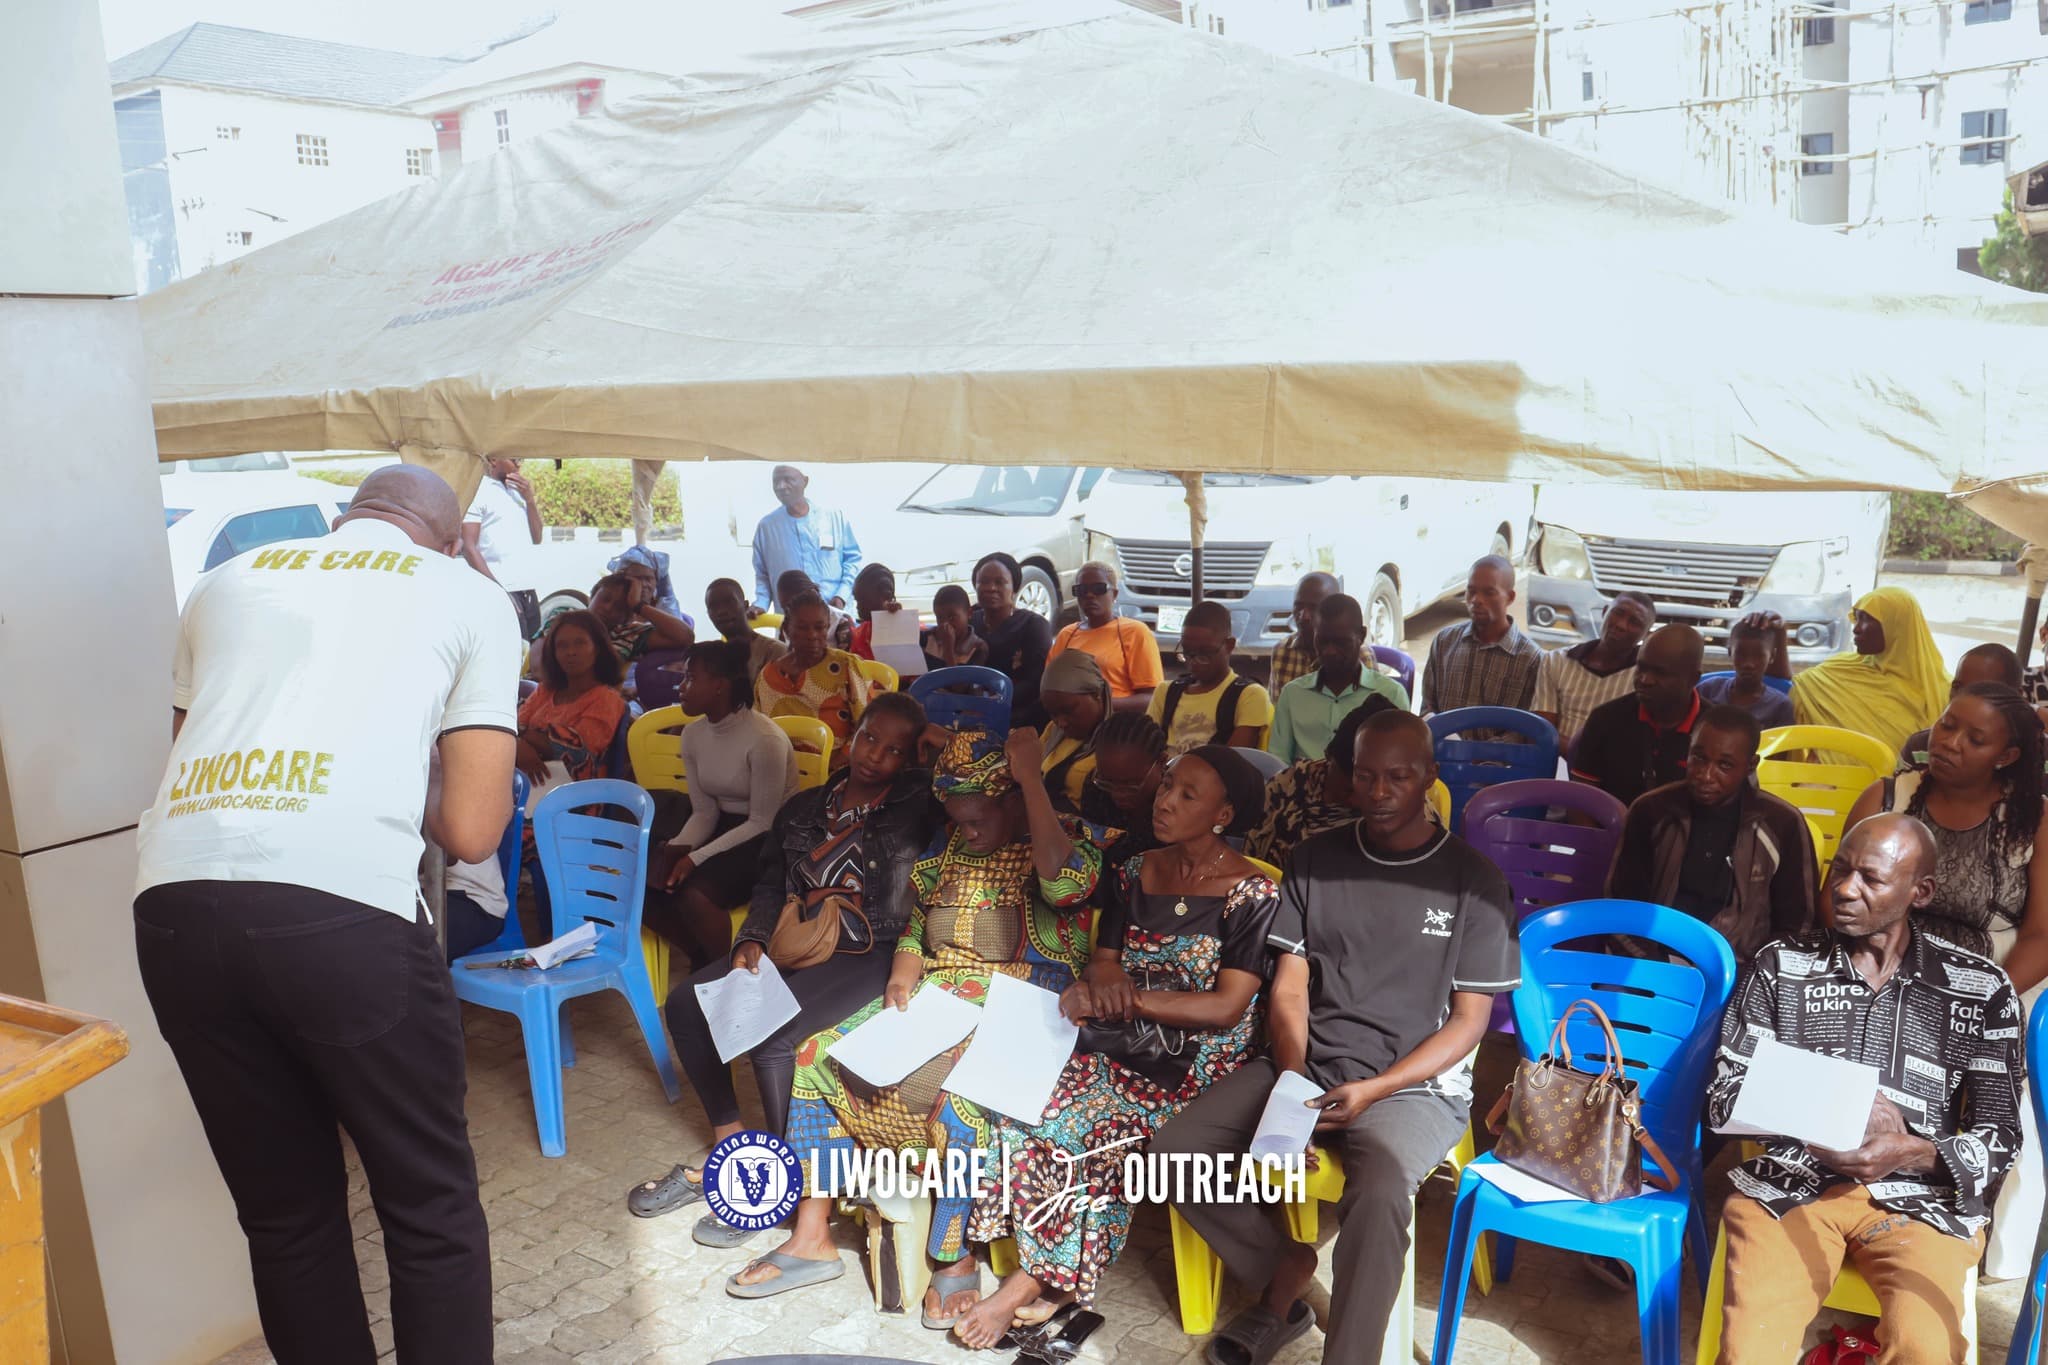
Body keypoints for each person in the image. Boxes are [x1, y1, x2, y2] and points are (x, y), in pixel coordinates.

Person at [133, 465, 518, 1363]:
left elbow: (194, 749)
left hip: (176, 906)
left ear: (347, 517)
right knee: (429, 1207)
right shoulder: (466, 595)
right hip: (343, 916)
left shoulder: (226, 580)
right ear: (450, 536)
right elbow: (470, 827)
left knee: (285, 1216)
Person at [1152, 711, 1517, 1365]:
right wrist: (1293, 1083)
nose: (1380, 791)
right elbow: (1289, 987)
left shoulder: (1473, 881)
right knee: (1174, 1151)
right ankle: (1282, 1264)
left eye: (1399, 777)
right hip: (1308, 1063)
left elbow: (1469, 1022)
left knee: (1377, 1195)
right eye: (1367, 776)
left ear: (1429, 777)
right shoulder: (1317, 859)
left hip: (1411, 1085)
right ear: (1349, 779)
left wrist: (1375, 1087)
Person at [740, 729, 1103, 1316]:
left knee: (951, 1098)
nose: (969, 830)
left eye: (979, 817)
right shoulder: (950, 849)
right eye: (958, 817)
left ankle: (953, 1256)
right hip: (940, 1001)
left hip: (1022, 1005)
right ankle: (813, 1237)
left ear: (1014, 800)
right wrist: (902, 973)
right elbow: (915, 929)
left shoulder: (1065, 840)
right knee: (815, 1061)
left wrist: (1032, 778)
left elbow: (1063, 886)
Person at [955, 748, 1280, 1344]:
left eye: (1188, 795)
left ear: (1222, 813)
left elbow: (1225, 1006)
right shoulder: (1134, 868)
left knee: (1097, 1129)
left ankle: (1031, 1283)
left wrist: (1122, 998)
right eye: (1168, 786)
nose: (1165, 801)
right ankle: (1043, 1273)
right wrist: (1096, 985)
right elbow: (1106, 958)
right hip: (1122, 1040)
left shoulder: (1251, 894)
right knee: (1024, 1104)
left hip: (1196, 1062)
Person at [1704, 813, 2024, 1365]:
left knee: (1925, 1349)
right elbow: (1722, 1098)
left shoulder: (1978, 988)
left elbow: (2001, 1139)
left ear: (1920, 891)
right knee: (1752, 1348)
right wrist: (1824, 1103)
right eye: (1840, 872)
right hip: (1791, 1186)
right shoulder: (1782, 966)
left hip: (1923, 1206)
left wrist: (1915, 1151)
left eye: (1871, 879)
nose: (1846, 890)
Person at [627, 694, 941, 1240]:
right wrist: (751, 937)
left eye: (894, 750)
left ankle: (786, 1185)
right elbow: (771, 883)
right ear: (853, 735)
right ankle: (735, 1149)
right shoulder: (803, 809)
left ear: (909, 758)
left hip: (874, 951)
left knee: (776, 1037)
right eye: (869, 738)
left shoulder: (918, 806)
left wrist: (944, 749)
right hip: (799, 940)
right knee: (687, 1003)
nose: (875, 756)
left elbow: (977, 787)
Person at [1846, 681, 2048, 1278]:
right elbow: (1839, 904)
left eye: (1974, 738)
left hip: (1997, 977)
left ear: (2006, 756)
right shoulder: (1888, 797)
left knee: (2011, 1076)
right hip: (1883, 967)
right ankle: (1856, 1197)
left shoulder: (2031, 821)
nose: (1950, 742)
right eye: (1947, 724)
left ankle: (1986, 1239)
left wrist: (1984, 1003)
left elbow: (2042, 935)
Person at [1605, 704, 1815, 962]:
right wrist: (1652, 966)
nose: (1705, 775)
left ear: (1750, 766)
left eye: (1724, 765)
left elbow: (1798, 925)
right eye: (1699, 758)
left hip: (1742, 967)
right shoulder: (1652, 811)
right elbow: (1621, 906)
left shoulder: (1783, 823)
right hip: (1656, 959)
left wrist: (1757, 977)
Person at [646, 640, 799, 968]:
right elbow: (705, 810)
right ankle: (702, 957)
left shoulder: (764, 739)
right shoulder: (693, 735)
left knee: (695, 893)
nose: (681, 686)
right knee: (647, 886)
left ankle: (726, 975)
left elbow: (762, 821)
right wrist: (675, 850)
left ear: (719, 685)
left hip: (768, 838)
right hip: (724, 826)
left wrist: (695, 858)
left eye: (690, 678)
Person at [1750, 587, 1950, 755]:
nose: (1856, 629)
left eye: (1867, 620)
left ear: (1895, 627)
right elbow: (1788, 684)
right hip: (1825, 785)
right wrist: (1779, 634)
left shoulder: (1940, 690)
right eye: (1857, 619)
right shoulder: (1840, 669)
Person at [1569, 624, 1706, 808]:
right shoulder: (1606, 719)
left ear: (1692, 679)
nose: (1645, 680)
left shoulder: (1718, 730)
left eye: (1660, 673)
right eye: (1641, 668)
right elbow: (1579, 803)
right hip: (1610, 833)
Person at [1268, 593, 1409, 765]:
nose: (1330, 651)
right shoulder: (1292, 694)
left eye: (1341, 643)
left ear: (1362, 636)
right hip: (1301, 789)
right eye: (1322, 641)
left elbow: (1400, 762)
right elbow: (1277, 762)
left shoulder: (1391, 694)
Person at [1245, 705, 1378, 871]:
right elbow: (1252, 860)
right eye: (1348, 790)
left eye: (1364, 790)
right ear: (1328, 757)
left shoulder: (1394, 813)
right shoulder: (1287, 787)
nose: (1355, 801)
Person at [1419, 555, 1542, 723]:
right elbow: (1427, 707)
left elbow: (1527, 728)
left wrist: (1480, 749)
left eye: (1489, 593)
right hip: (1444, 747)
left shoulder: (1531, 658)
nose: (1476, 600)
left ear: (1510, 597)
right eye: (1471, 591)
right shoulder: (1444, 642)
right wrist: (1444, 737)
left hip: (1501, 750)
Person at [1530, 591, 1656, 751]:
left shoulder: (1644, 679)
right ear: (1604, 612)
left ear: (1646, 635)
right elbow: (1542, 732)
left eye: (1634, 622)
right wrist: (1584, 762)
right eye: (1618, 613)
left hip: (1612, 771)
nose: (1621, 625)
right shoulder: (1556, 661)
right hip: (1557, 764)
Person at [515, 610, 628, 787]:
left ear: (597, 648)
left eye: (580, 643)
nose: (571, 652)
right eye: (562, 646)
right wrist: (519, 746)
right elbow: (513, 729)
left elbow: (576, 753)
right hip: (527, 784)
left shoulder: (607, 700)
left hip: (575, 796)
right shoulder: (545, 690)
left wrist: (521, 739)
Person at [1148, 600, 1274, 756]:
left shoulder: (1250, 695)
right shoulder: (1166, 692)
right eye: (1187, 653)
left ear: (1229, 645)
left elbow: (1234, 762)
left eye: (1204, 654)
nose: (1193, 662)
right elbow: (1146, 751)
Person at [755, 590, 871, 752]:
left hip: (837, 765)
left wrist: (833, 763)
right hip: (782, 764)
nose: (812, 635)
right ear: (787, 630)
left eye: (819, 627)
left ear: (828, 628)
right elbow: (760, 730)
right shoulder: (768, 677)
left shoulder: (846, 666)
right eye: (802, 628)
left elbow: (868, 727)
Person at [1047, 561, 1164, 713]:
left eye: (1098, 589)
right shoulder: (1067, 634)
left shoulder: (1135, 632)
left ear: (1114, 594)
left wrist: (1098, 707)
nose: (1089, 595)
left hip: (1117, 726)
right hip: (1069, 724)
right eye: (1082, 590)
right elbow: (1050, 686)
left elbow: (1152, 697)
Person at [1897, 642, 2023, 772]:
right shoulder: (1920, 747)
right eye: (1957, 687)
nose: (1963, 699)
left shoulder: (2040, 758)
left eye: (1982, 691)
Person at [751, 464, 862, 611]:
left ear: (805, 481)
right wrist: (761, 604)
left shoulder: (833, 518)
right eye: (776, 481)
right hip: (793, 623)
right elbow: (762, 575)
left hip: (837, 617)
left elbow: (853, 560)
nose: (781, 486)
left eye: (788, 479)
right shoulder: (767, 527)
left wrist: (841, 595)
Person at [459, 456, 545, 638]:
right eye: (515, 459)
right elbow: (469, 547)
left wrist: (530, 500)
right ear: (493, 459)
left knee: (527, 652)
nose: (519, 464)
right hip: (500, 587)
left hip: (526, 587)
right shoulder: (477, 491)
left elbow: (537, 537)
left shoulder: (516, 492)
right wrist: (498, 591)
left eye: (522, 459)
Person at [971, 552, 1055, 731]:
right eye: (983, 582)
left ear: (1014, 588)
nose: (990, 588)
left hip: (1017, 715)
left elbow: (1036, 681)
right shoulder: (969, 621)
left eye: (1000, 582)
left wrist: (996, 702)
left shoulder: (1034, 625)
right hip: (970, 708)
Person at [1081, 712, 1171, 861]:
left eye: (1131, 785)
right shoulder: (1096, 787)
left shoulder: (1178, 800)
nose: (1117, 795)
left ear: (1161, 762)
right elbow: (1092, 851)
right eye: (1108, 782)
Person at [1039, 649, 1112, 812]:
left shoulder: (1118, 743)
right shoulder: (1055, 731)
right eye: (1053, 713)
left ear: (1096, 694)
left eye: (1069, 710)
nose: (1061, 722)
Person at [1697, 618, 1795, 729]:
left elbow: (1783, 744)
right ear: (1730, 652)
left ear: (1772, 656)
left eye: (1758, 656)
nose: (1749, 664)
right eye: (1741, 654)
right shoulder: (1708, 690)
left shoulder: (1780, 706)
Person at [588, 571, 693, 668]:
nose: (608, 608)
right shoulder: (572, 618)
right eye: (605, 599)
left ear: (629, 616)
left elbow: (685, 637)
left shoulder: (628, 635)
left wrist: (638, 605)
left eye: (619, 607)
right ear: (592, 597)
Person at [1270, 572, 1341, 697]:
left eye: (1314, 608)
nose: (1304, 616)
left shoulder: (1357, 655)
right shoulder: (1282, 652)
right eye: (1298, 606)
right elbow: (1277, 710)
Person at [704, 576, 788, 682]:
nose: (721, 611)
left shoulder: (774, 651)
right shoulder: (712, 659)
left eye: (729, 602)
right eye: (713, 606)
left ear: (746, 605)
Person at [610, 543, 689, 621]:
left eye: (648, 579)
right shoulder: (612, 612)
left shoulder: (666, 610)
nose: (644, 584)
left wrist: (638, 606)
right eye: (637, 578)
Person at [922, 583, 989, 670]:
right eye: (940, 617)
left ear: (969, 613)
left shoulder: (978, 647)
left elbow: (961, 683)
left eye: (952, 617)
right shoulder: (929, 637)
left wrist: (948, 650)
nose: (945, 623)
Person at [847, 562, 901, 663]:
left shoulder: (906, 629)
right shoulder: (858, 634)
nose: (858, 606)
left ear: (886, 597)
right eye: (856, 600)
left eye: (863, 600)